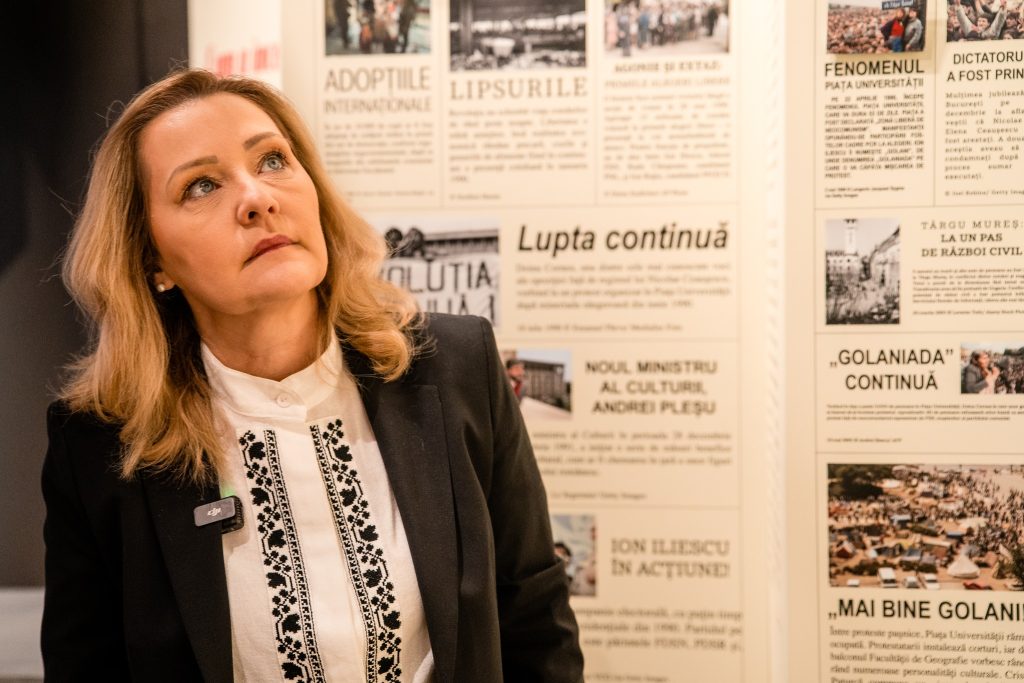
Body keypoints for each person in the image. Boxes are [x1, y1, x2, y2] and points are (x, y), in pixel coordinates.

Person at [41, 68, 583, 682]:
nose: (257, 198)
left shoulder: (457, 365)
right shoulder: (100, 444)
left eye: (272, 160)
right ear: (152, 258)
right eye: (201, 186)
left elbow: (535, 623)